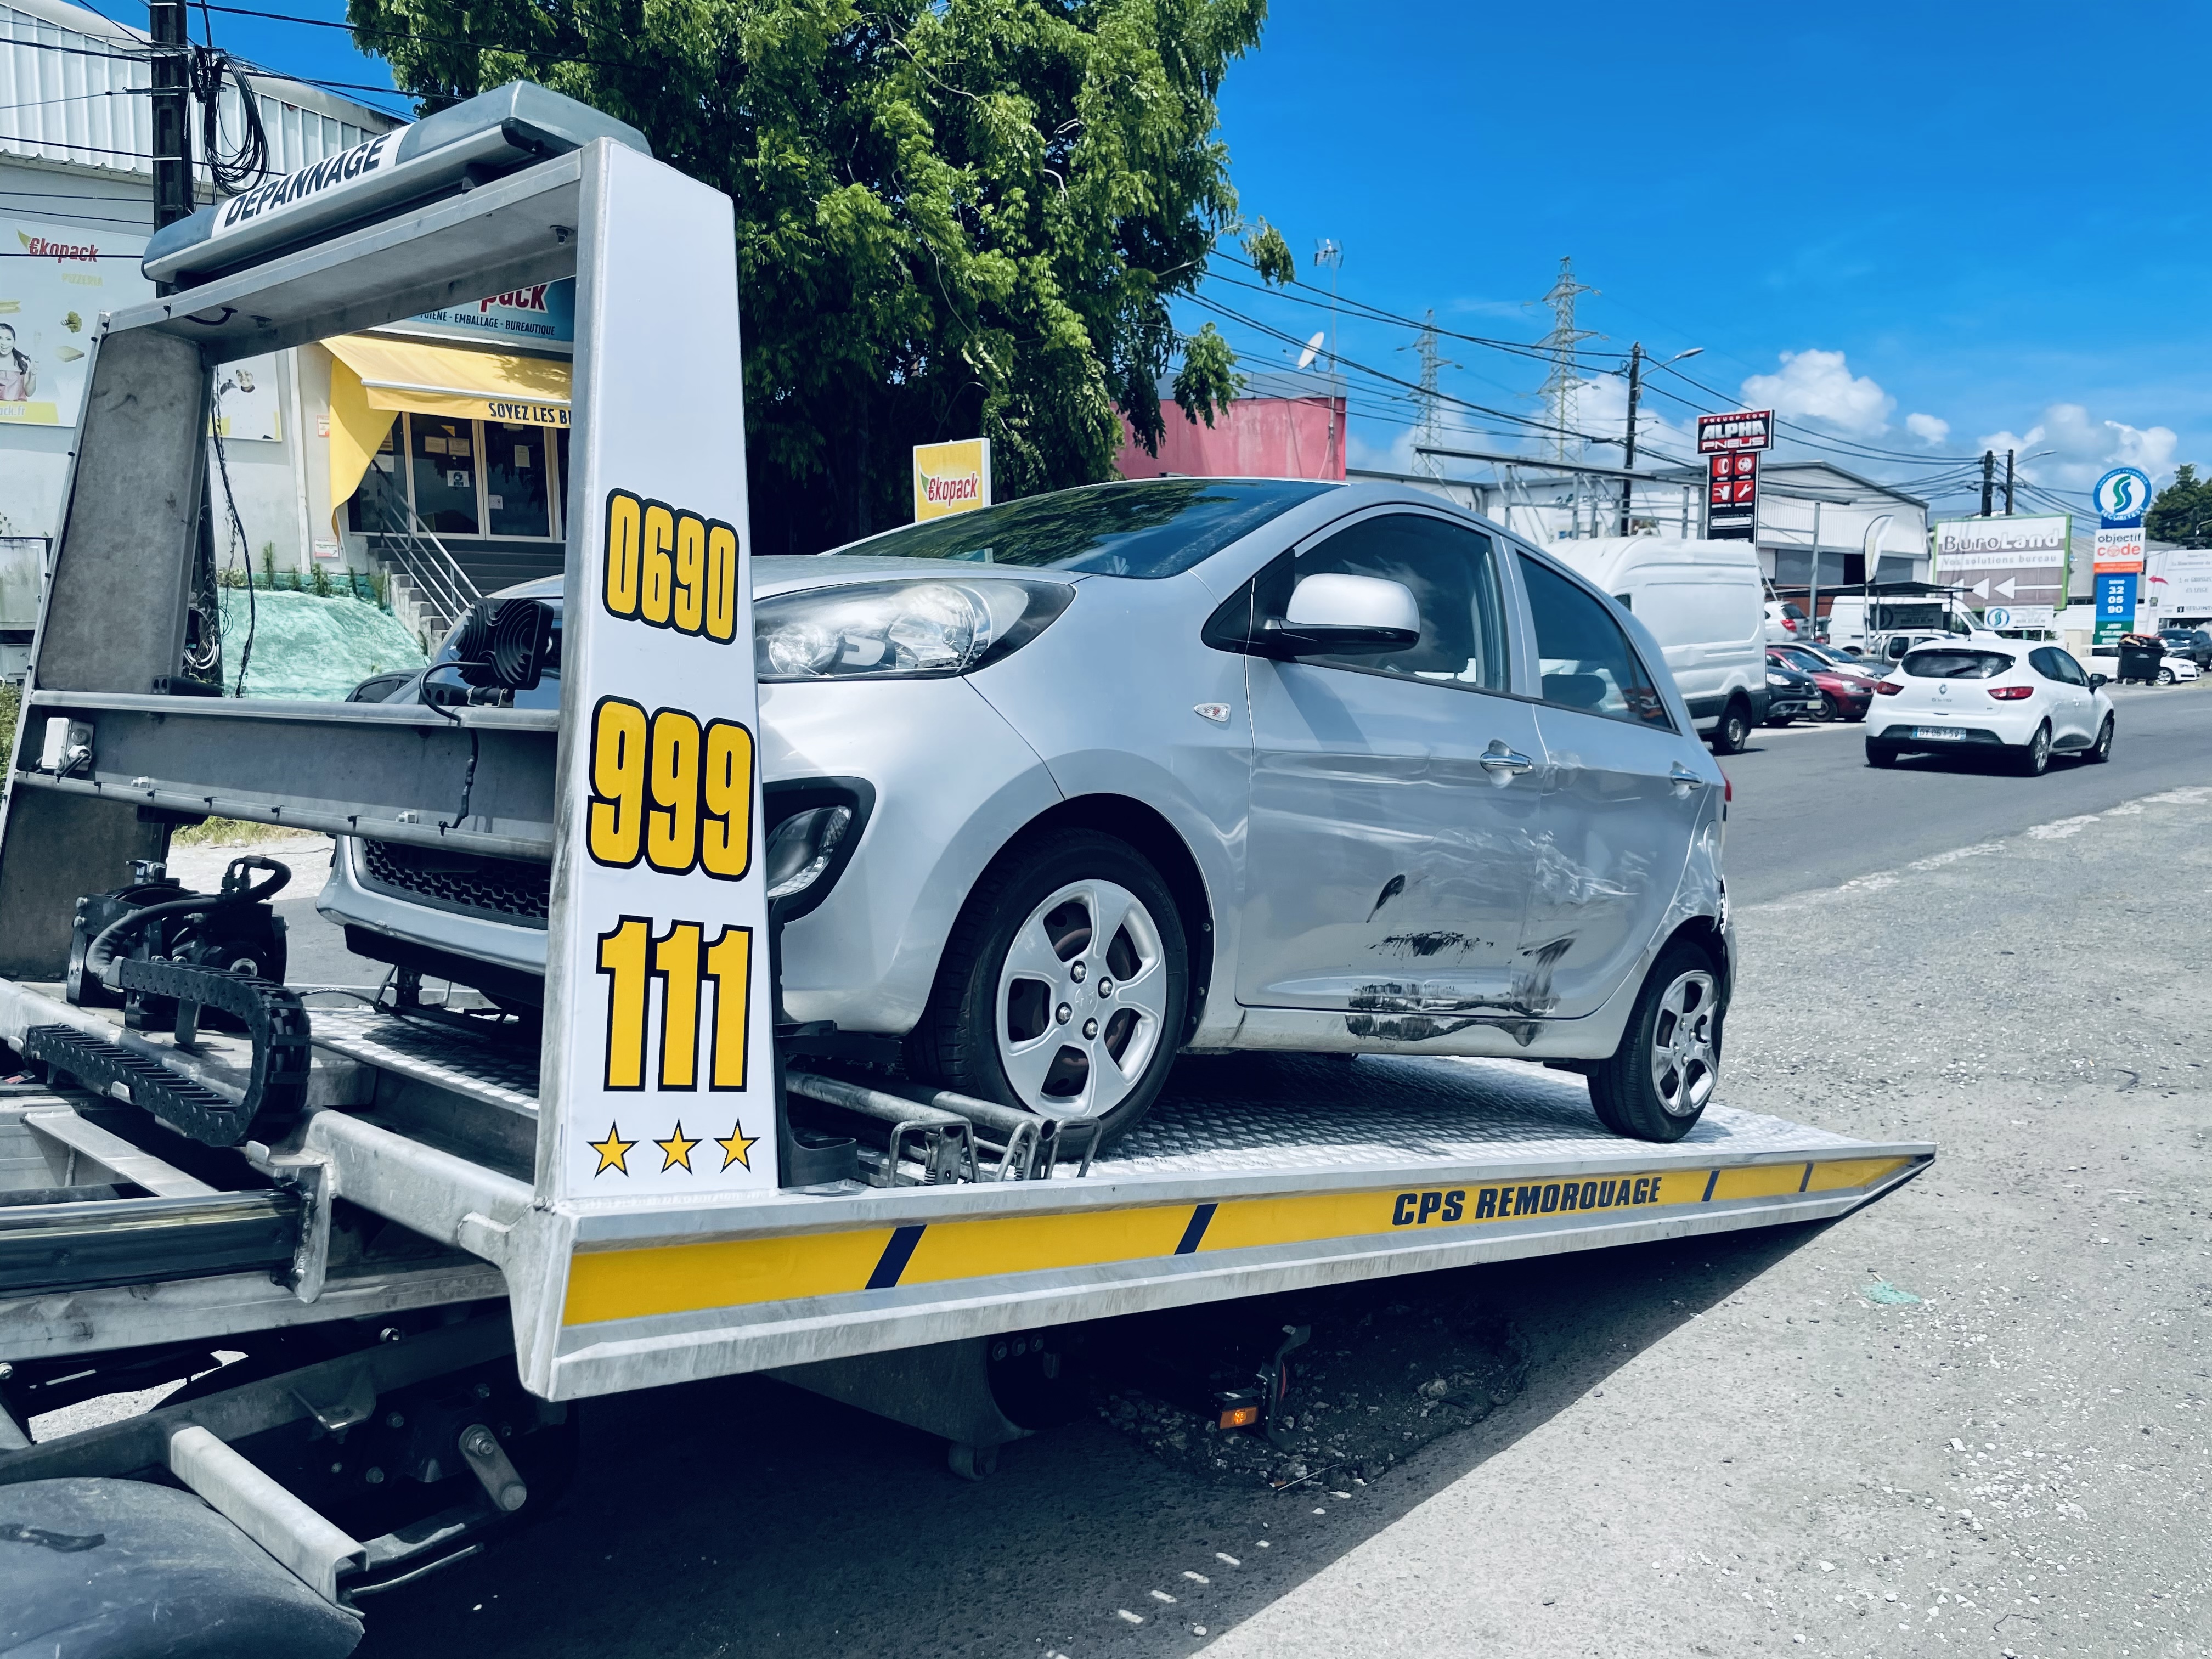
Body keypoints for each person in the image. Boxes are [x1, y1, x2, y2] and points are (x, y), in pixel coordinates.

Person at [0, 324, 34, 402]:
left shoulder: (23, 363)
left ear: (14, 342)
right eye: (0, 338)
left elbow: (29, 393)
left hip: (19, 411)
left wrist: (33, 376)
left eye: (8, 339)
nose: (3, 343)